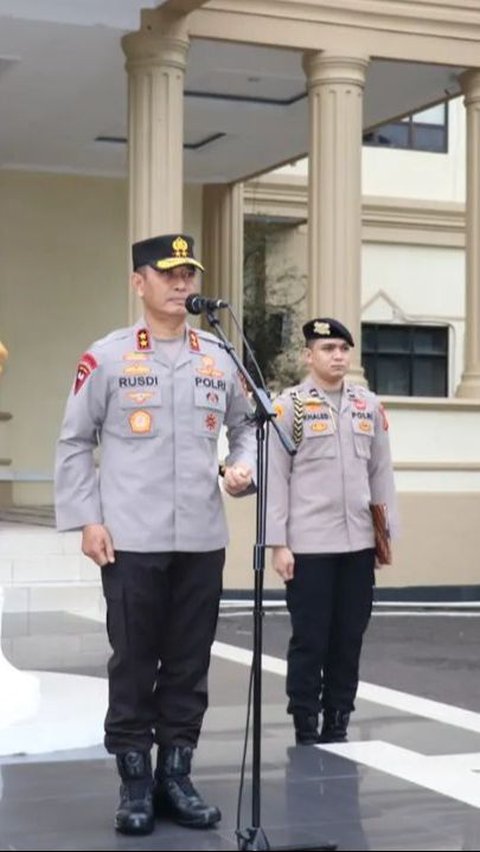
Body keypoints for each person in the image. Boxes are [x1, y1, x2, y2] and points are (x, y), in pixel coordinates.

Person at [54, 234, 256, 836]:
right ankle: (135, 784)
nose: (182, 284)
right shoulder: (109, 357)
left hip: (200, 537)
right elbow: (73, 441)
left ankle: (177, 775)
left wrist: (244, 469)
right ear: (138, 283)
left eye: (188, 273)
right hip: (131, 539)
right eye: (167, 274)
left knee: (190, 665)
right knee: (135, 662)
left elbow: (248, 427)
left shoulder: (220, 357)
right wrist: (88, 518)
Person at [266, 317, 397, 746]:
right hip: (310, 546)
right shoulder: (290, 408)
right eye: (328, 349)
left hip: (357, 543)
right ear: (309, 355)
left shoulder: (367, 405)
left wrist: (383, 535)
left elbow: (381, 474)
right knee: (310, 638)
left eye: (343, 348)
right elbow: (275, 479)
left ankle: (339, 714)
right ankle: (305, 716)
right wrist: (278, 544)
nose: (338, 356)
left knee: (349, 636)